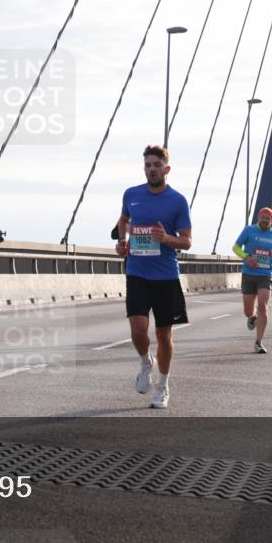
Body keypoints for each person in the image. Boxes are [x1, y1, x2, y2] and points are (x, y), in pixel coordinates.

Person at [115, 145, 192, 410]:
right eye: (148, 165)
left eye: (156, 165)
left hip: (166, 276)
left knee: (163, 335)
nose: (152, 169)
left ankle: (163, 386)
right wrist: (122, 241)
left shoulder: (177, 201)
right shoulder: (132, 194)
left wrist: (166, 238)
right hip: (137, 272)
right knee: (138, 330)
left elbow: (187, 241)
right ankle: (145, 361)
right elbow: (123, 220)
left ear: (166, 169)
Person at [232, 207, 272, 354]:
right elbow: (236, 247)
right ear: (259, 217)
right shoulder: (249, 230)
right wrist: (247, 257)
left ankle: (259, 342)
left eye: (268, 218)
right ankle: (253, 317)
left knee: (263, 305)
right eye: (263, 217)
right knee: (248, 311)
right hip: (249, 274)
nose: (265, 220)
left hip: (265, 275)